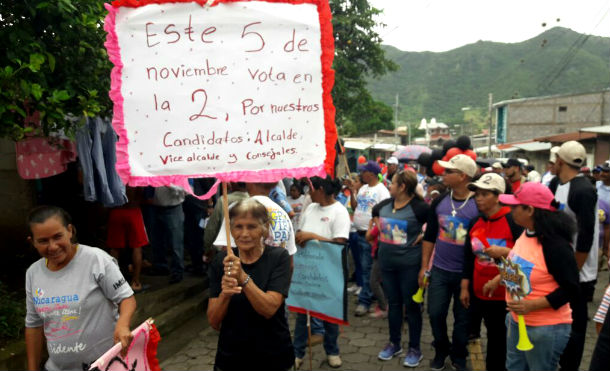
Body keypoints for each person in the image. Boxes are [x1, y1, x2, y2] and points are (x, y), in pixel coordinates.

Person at [25, 206, 136, 371]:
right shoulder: (33, 273)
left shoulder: (96, 260)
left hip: (106, 365)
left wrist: (123, 324)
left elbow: (126, 298)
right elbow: (34, 325)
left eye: (58, 237)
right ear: (32, 242)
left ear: (70, 231)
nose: (53, 246)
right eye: (43, 241)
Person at [486, 182, 580, 371]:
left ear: (529, 210)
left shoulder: (556, 245)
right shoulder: (527, 232)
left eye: (514, 206)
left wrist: (531, 305)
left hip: (544, 329)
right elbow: (522, 263)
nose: (510, 210)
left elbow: (571, 289)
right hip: (517, 320)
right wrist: (499, 279)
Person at [207, 198, 294, 371]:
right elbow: (214, 322)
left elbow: (269, 309)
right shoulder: (221, 262)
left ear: (265, 229)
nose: (244, 233)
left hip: (273, 357)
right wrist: (225, 294)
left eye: (252, 226)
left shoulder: (279, 258)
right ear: (230, 230)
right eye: (238, 226)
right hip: (231, 358)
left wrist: (243, 278)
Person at [419, 154, 479, 371]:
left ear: (463, 176)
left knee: (463, 319)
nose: (442, 174)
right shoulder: (439, 201)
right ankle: (441, 349)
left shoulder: (478, 204)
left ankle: (459, 356)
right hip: (440, 272)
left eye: (448, 171)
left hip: (467, 274)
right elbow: (430, 237)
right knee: (435, 313)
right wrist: (425, 267)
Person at [460, 173, 523, 371]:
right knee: (471, 331)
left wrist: (506, 252)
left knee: (499, 341)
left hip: (505, 296)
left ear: (498, 196)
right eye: (477, 193)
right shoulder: (474, 222)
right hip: (478, 292)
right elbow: (468, 257)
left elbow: (529, 258)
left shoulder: (514, 222)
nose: (478, 197)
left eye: (484, 193)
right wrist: (464, 287)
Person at [550, 141, 599, 371]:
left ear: (560, 161)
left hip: (579, 274)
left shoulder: (583, 189)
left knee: (575, 329)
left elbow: (587, 236)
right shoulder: (554, 183)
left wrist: (575, 271)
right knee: (556, 321)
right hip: (559, 268)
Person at [293, 176, 350, 369]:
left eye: (311, 189)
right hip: (307, 269)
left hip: (329, 270)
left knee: (328, 313)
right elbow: (301, 231)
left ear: (322, 190)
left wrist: (312, 236)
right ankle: (297, 353)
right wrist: (300, 236)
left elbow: (340, 243)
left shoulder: (339, 212)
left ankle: (332, 351)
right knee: (303, 314)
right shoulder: (310, 208)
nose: (308, 193)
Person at [374, 171, 430, 367]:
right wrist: (378, 228)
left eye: (393, 183)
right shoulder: (386, 205)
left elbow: (434, 228)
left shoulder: (419, 207)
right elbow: (374, 211)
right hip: (387, 266)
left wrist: (423, 235)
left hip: (409, 267)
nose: (389, 186)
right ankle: (394, 343)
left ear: (403, 187)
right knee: (394, 305)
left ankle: (415, 348)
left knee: (412, 307)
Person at [349, 160, 391, 316]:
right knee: (362, 267)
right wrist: (353, 191)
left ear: (372, 174)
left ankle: (365, 301)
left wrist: (374, 232)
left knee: (367, 269)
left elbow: (384, 214)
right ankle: (367, 294)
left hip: (370, 237)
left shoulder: (382, 191)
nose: (361, 174)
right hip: (358, 232)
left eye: (364, 171)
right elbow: (356, 207)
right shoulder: (363, 188)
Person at [213, 182, 297, 257]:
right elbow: (290, 261)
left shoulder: (237, 209)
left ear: (248, 182)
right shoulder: (283, 214)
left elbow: (227, 250)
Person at [106, 186, 148, 291]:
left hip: (117, 211)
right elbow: (143, 196)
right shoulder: (135, 175)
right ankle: (135, 282)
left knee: (114, 248)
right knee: (137, 247)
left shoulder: (113, 175)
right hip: (133, 211)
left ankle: (114, 282)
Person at [203, 182, 248, 262]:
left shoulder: (223, 201)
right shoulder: (253, 200)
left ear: (234, 183)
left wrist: (207, 250)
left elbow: (212, 229)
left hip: (226, 252)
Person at [150, 185, 186, 284]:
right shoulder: (156, 169)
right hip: (156, 207)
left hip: (173, 208)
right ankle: (160, 266)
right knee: (157, 240)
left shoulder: (178, 169)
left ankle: (177, 271)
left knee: (176, 243)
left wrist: (168, 184)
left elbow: (187, 190)